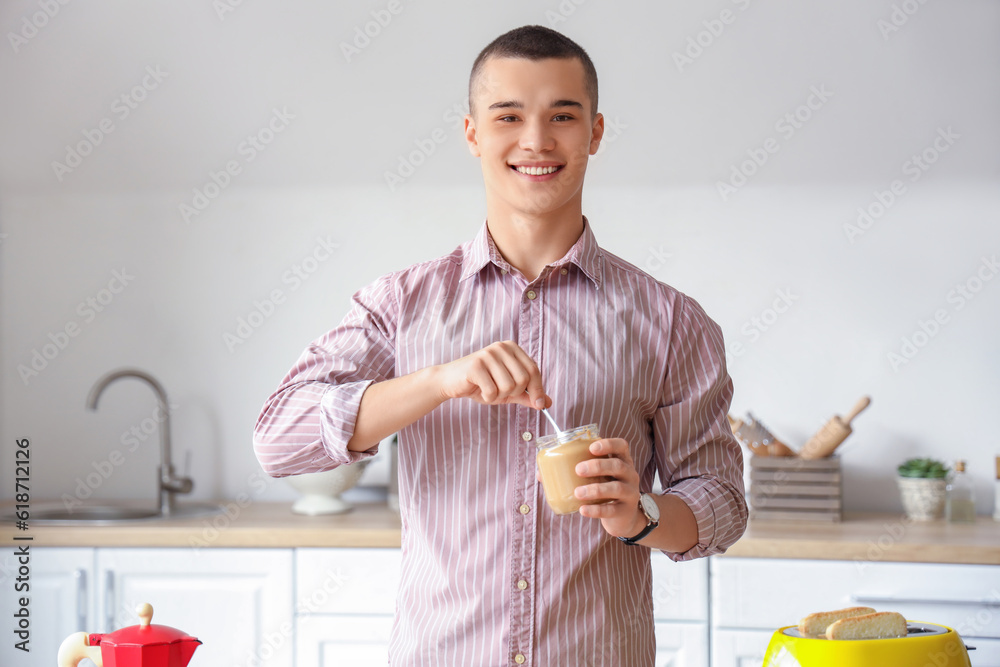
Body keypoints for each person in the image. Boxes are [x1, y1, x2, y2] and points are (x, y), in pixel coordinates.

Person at [254, 24, 747, 666]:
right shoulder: (404, 305)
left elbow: (722, 503)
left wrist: (643, 513)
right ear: (473, 134)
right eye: (508, 116)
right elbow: (277, 439)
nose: (536, 141)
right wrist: (438, 381)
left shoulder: (671, 321)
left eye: (562, 116)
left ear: (595, 132)